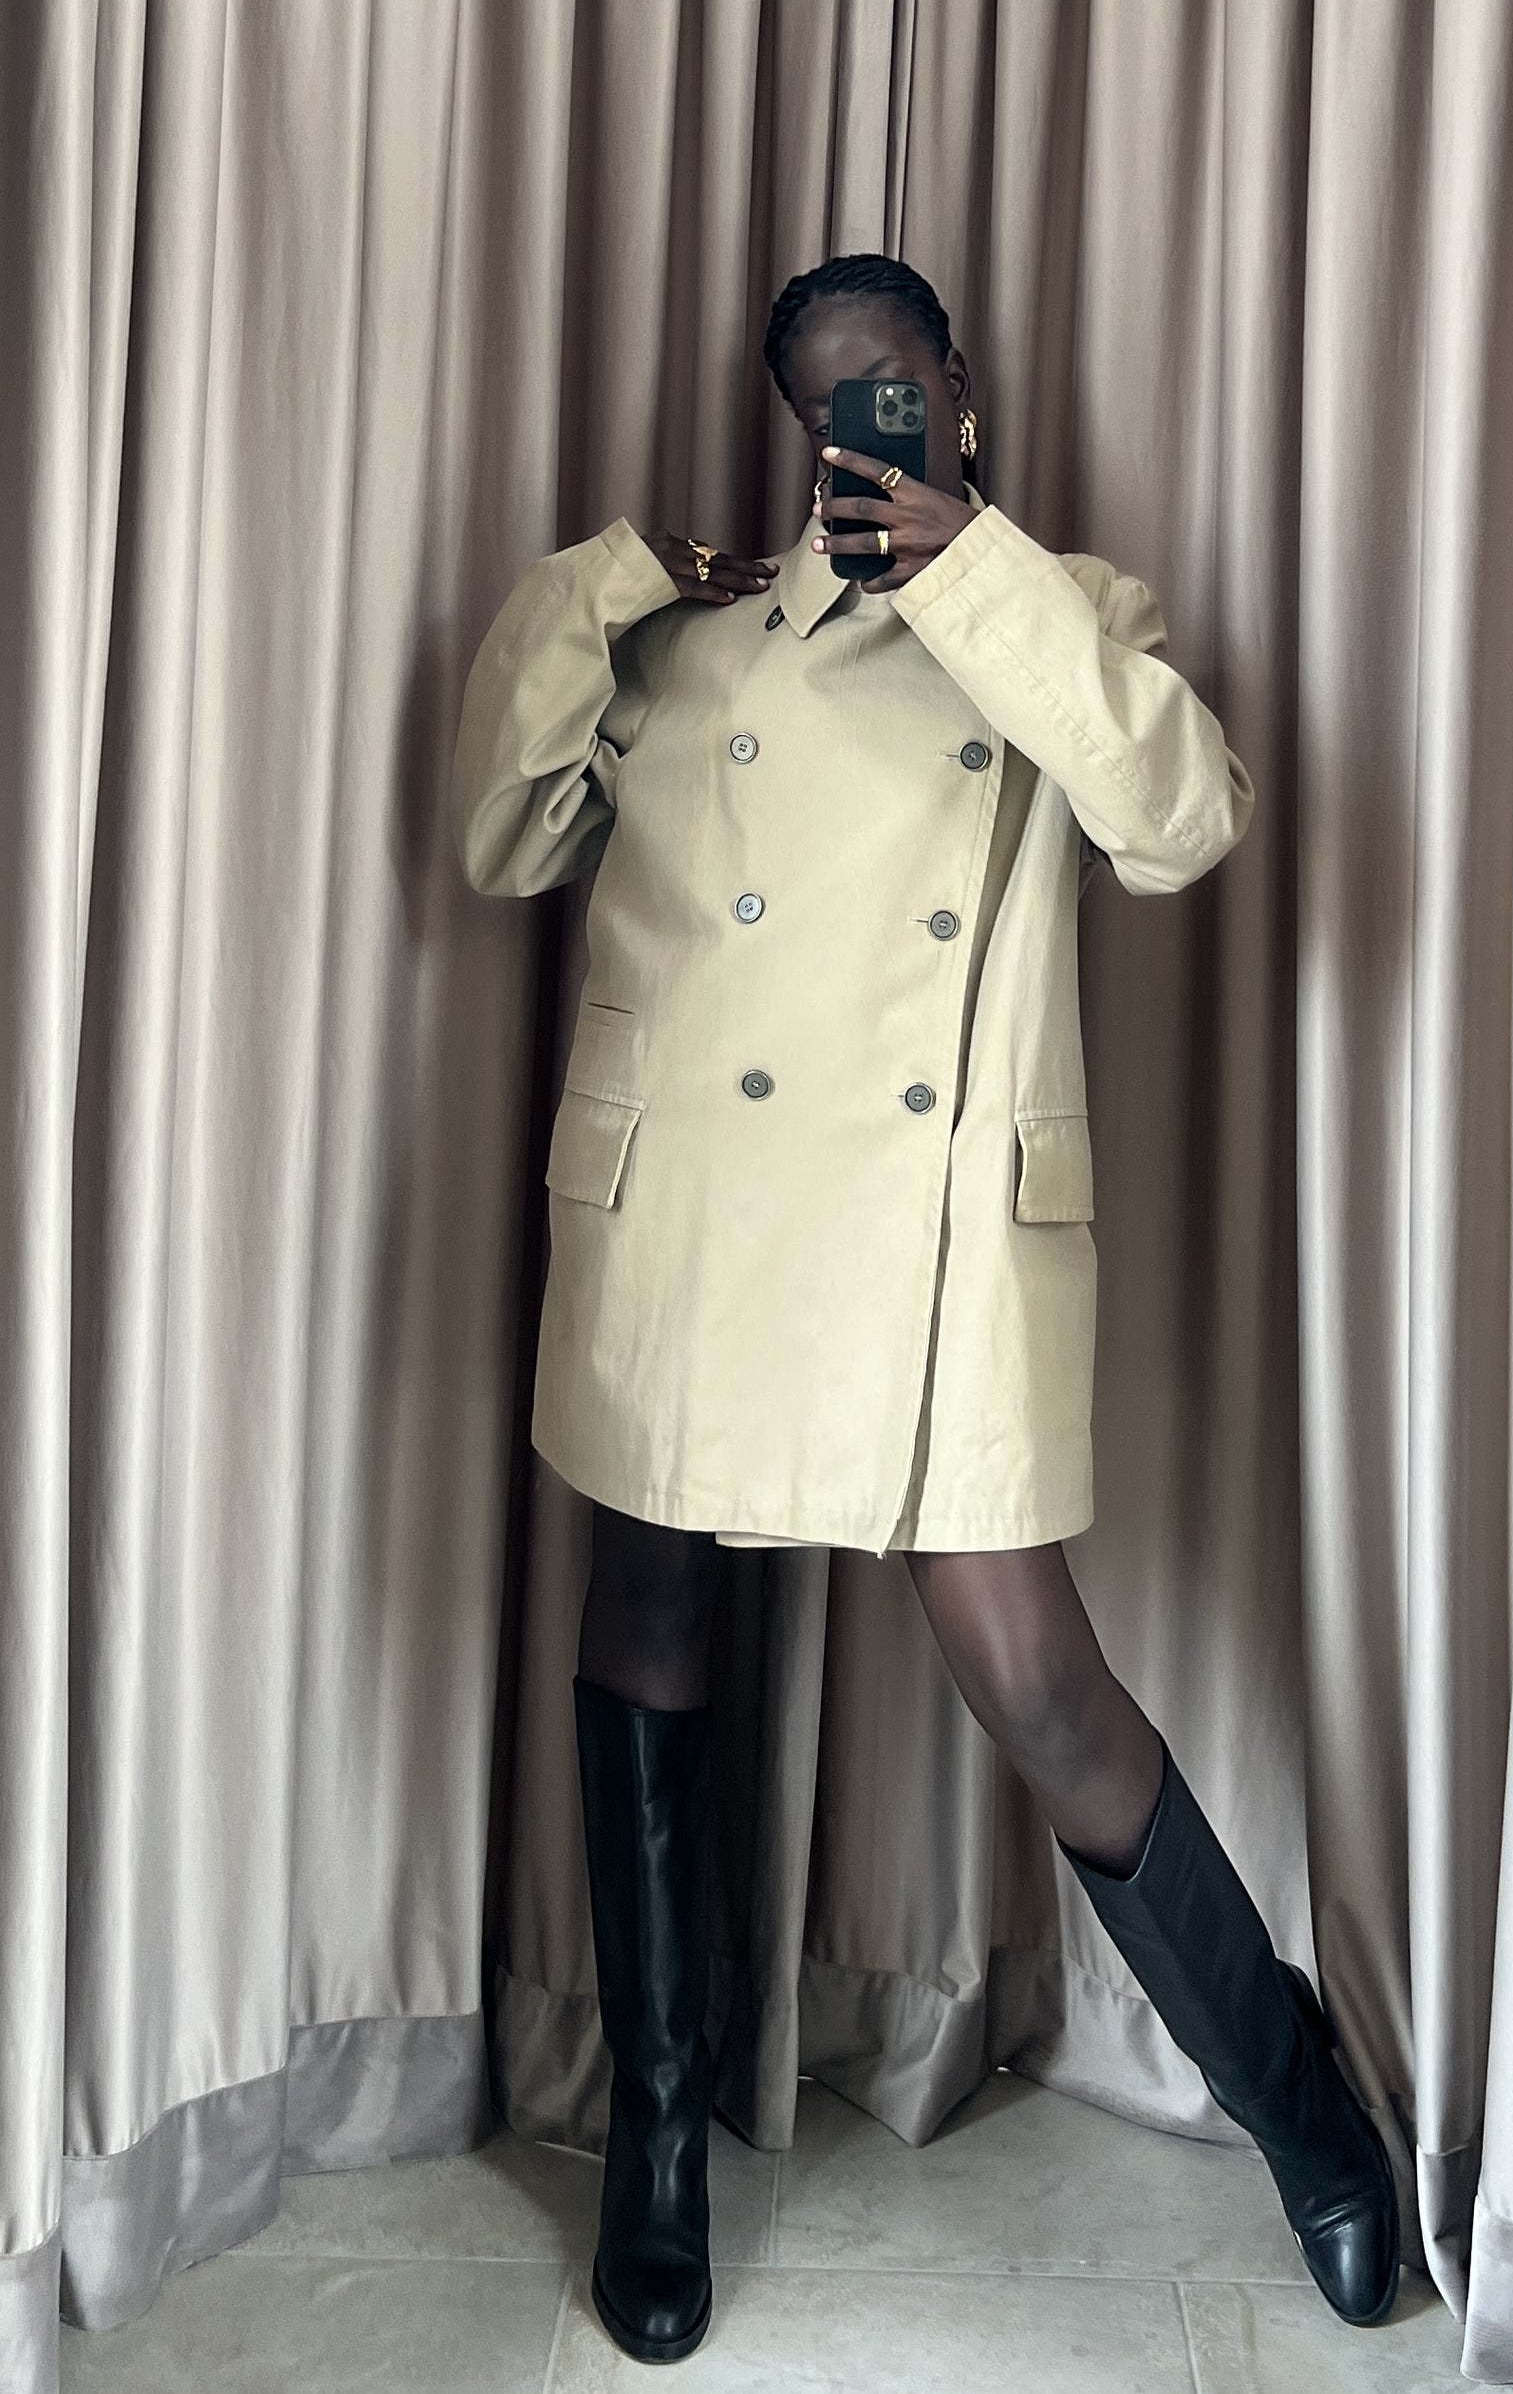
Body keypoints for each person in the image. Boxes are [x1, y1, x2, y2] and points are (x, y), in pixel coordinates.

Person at [451, 254, 1399, 2364]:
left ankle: (1308, 2120)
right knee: (650, 1619)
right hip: (691, 1217)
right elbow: (499, 836)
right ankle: (660, 2147)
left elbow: (1180, 819)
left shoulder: (1065, 614)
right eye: (822, 409)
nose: (857, 433)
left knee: (1041, 1686)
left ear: (956, 393)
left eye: (887, 391)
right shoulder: (689, 638)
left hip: (941, 1230)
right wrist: (609, 576)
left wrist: (974, 569)